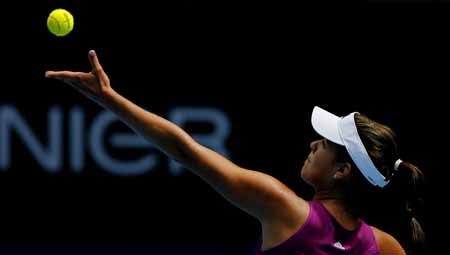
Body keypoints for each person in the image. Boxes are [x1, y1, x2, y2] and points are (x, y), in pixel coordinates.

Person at [45, 50, 425, 255]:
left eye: (324, 143)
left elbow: (186, 150)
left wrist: (111, 101)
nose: (313, 143)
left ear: (342, 171)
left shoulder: (284, 208)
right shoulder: (387, 249)